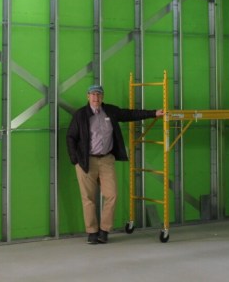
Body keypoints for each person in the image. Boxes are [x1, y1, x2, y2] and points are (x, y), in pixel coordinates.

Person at [66, 84, 164, 245]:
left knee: (112, 195)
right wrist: (75, 159)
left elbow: (129, 114)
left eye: (99, 95)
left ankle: (104, 230)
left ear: (102, 97)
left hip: (106, 160)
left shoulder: (110, 111)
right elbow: (71, 137)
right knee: (88, 198)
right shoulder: (81, 115)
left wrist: (153, 113)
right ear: (88, 96)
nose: (96, 98)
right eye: (93, 94)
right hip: (86, 161)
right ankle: (92, 232)